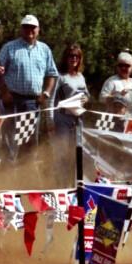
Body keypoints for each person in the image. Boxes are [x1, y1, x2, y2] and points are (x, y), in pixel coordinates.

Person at [0, 14, 58, 159]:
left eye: (33, 27)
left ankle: (25, 176)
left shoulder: (44, 49)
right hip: (13, 102)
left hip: (32, 103)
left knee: (29, 144)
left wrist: (46, 93)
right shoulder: (10, 47)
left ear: (38, 29)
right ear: (21, 29)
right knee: (10, 142)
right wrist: (4, 92)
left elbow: (52, 73)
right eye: (26, 27)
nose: (29, 30)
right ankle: (7, 176)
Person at [48, 43, 89, 186]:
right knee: (62, 154)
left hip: (78, 120)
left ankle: (74, 185)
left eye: (77, 56)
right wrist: (50, 120)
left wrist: (86, 98)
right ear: (66, 58)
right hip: (62, 120)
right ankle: (60, 185)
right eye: (71, 56)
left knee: (76, 154)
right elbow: (52, 99)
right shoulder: (61, 77)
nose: (74, 59)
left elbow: (86, 95)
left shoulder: (81, 77)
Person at [99, 51, 132, 117]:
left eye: (127, 66)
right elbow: (101, 98)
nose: (123, 68)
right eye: (121, 65)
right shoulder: (111, 81)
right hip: (114, 121)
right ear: (117, 67)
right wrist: (117, 97)